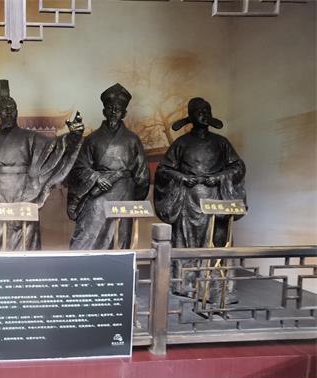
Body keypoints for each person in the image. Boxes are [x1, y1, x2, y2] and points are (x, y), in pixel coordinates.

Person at [154, 97, 246, 302]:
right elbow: (163, 169)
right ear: (191, 116)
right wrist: (182, 177)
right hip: (188, 202)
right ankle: (186, 283)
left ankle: (216, 285)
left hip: (216, 201)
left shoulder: (221, 142)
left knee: (218, 240)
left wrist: (219, 177)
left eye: (207, 111)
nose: (204, 115)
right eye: (199, 111)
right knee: (187, 243)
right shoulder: (181, 143)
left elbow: (238, 167)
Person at [0, 80, 84, 251]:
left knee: (24, 234)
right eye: (5, 109)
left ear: (17, 111)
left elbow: (53, 148)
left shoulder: (30, 137)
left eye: (12, 108)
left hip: (24, 191)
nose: (9, 112)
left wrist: (73, 136)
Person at [66, 83, 149, 250]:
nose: (113, 112)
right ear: (104, 111)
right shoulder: (92, 139)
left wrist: (134, 198)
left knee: (120, 237)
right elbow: (79, 167)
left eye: (118, 109)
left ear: (124, 113)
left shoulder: (132, 140)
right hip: (98, 193)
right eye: (110, 108)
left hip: (124, 193)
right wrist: (96, 177)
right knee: (86, 235)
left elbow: (142, 175)